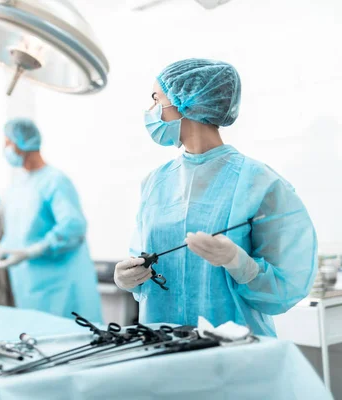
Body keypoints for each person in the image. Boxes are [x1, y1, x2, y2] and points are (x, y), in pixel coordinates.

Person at [114, 59, 317, 337]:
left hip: (236, 348)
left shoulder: (258, 181)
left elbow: (285, 286)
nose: (151, 111)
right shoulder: (154, 182)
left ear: (186, 102)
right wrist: (131, 277)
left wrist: (240, 263)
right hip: (164, 342)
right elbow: (141, 255)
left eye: (156, 99)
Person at [0, 118, 103, 323]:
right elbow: (17, 232)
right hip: (28, 285)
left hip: (60, 286)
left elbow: (73, 227)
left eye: (7, 142)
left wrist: (33, 250)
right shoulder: (18, 184)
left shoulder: (55, 181)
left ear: (22, 143)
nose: (5, 148)